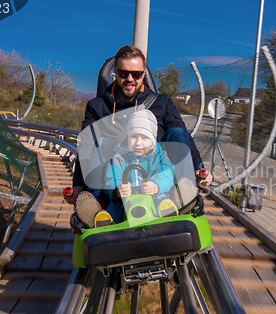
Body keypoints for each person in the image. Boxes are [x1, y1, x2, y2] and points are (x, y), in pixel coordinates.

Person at [64, 44, 212, 206]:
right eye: (123, 73)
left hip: (157, 172)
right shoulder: (97, 106)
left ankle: (185, 197)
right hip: (116, 178)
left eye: (136, 74)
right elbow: (86, 146)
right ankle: (96, 204)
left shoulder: (162, 103)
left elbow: (184, 138)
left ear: (143, 75)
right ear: (115, 73)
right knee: (100, 142)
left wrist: (199, 169)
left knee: (177, 132)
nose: (130, 79)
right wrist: (77, 185)